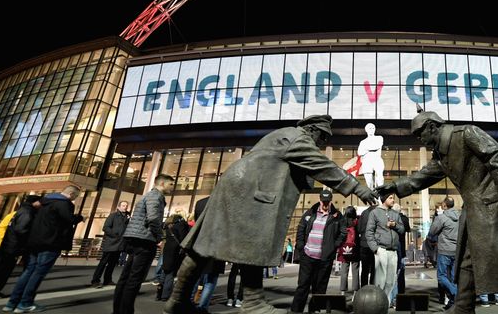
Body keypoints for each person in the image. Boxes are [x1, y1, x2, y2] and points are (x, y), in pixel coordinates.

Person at [165, 115, 377, 314]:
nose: (321, 142)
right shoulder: (297, 138)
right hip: (251, 190)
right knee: (252, 243)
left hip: (238, 185)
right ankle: (253, 301)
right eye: (322, 136)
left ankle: (178, 300)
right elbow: (322, 165)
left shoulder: (284, 135)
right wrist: (357, 188)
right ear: (310, 129)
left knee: (204, 246)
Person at [375, 108, 498, 314]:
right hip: (474, 214)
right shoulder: (441, 154)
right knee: (467, 268)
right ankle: (463, 308)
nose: (420, 139)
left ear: (432, 126)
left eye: (421, 133)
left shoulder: (466, 133)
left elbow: (495, 154)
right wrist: (394, 186)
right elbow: (424, 176)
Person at [4, 185, 84, 313]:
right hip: (51, 242)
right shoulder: (64, 203)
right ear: (71, 194)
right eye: (75, 196)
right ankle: (25, 303)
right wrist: (79, 217)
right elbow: (69, 220)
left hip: (34, 241)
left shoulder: (44, 202)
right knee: (38, 273)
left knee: (28, 271)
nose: (74, 199)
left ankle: (12, 303)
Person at [113, 173, 175, 314]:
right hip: (144, 240)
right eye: (171, 184)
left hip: (135, 238)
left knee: (126, 277)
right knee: (135, 279)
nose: (173, 187)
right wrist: (160, 236)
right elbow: (153, 218)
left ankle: (119, 310)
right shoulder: (156, 196)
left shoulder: (149, 195)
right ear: (162, 184)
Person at [290, 190, 347, 314]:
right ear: (320, 200)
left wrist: (334, 246)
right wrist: (301, 247)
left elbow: (343, 233)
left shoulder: (337, 216)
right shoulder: (310, 213)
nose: (325, 204)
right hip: (308, 256)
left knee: (319, 289)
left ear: (331, 201)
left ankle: (314, 311)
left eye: (327, 202)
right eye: (323, 201)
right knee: (303, 286)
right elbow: (301, 229)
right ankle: (295, 311)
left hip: (325, 259)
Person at [0, 195, 41, 299]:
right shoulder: (27, 213)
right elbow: (19, 230)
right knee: (1, 270)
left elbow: (2, 227)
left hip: (3, 244)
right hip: (10, 246)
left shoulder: (15, 213)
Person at [366, 192, 405, 306]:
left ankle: (385, 304)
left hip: (393, 251)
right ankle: (377, 304)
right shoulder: (375, 213)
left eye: (393, 198)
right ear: (384, 199)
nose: (393, 200)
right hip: (381, 250)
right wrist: (375, 249)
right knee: (380, 281)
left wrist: (395, 225)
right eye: (390, 198)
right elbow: (369, 233)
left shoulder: (395, 214)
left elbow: (402, 230)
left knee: (390, 281)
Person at [429, 197, 459, 309]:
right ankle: (452, 303)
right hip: (456, 250)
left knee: (441, 277)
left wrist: (438, 217)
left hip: (445, 250)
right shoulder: (460, 216)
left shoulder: (442, 217)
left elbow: (432, 231)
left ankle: (455, 294)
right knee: (453, 278)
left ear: (445, 206)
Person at [92, 200, 130, 288]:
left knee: (112, 264)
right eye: (123, 205)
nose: (125, 207)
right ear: (119, 207)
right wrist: (115, 235)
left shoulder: (127, 217)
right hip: (111, 243)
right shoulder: (113, 216)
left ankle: (107, 280)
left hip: (120, 244)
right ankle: (95, 281)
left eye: (126, 206)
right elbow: (105, 228)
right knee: (103, 263)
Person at [338, 206, 360, 294]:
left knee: (344, 270)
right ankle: (355, 290)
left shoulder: (342, 221)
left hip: (344, 248)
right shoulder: (357, 221)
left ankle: (343, 291)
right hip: (355, 249)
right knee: (355, 270)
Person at [358, 123, 385, 189]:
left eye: (373, 128)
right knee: (369, 182)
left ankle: (380, 196)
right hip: (367, 161)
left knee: (380, 179)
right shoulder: (363, 142)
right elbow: (360, 152)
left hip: (377, 160)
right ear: (366, 130)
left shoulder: (379, 138)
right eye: (370, 128)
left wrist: (366, 149)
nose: (372, 130)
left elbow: (376, 147)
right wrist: (370, 149)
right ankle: (372, 196)